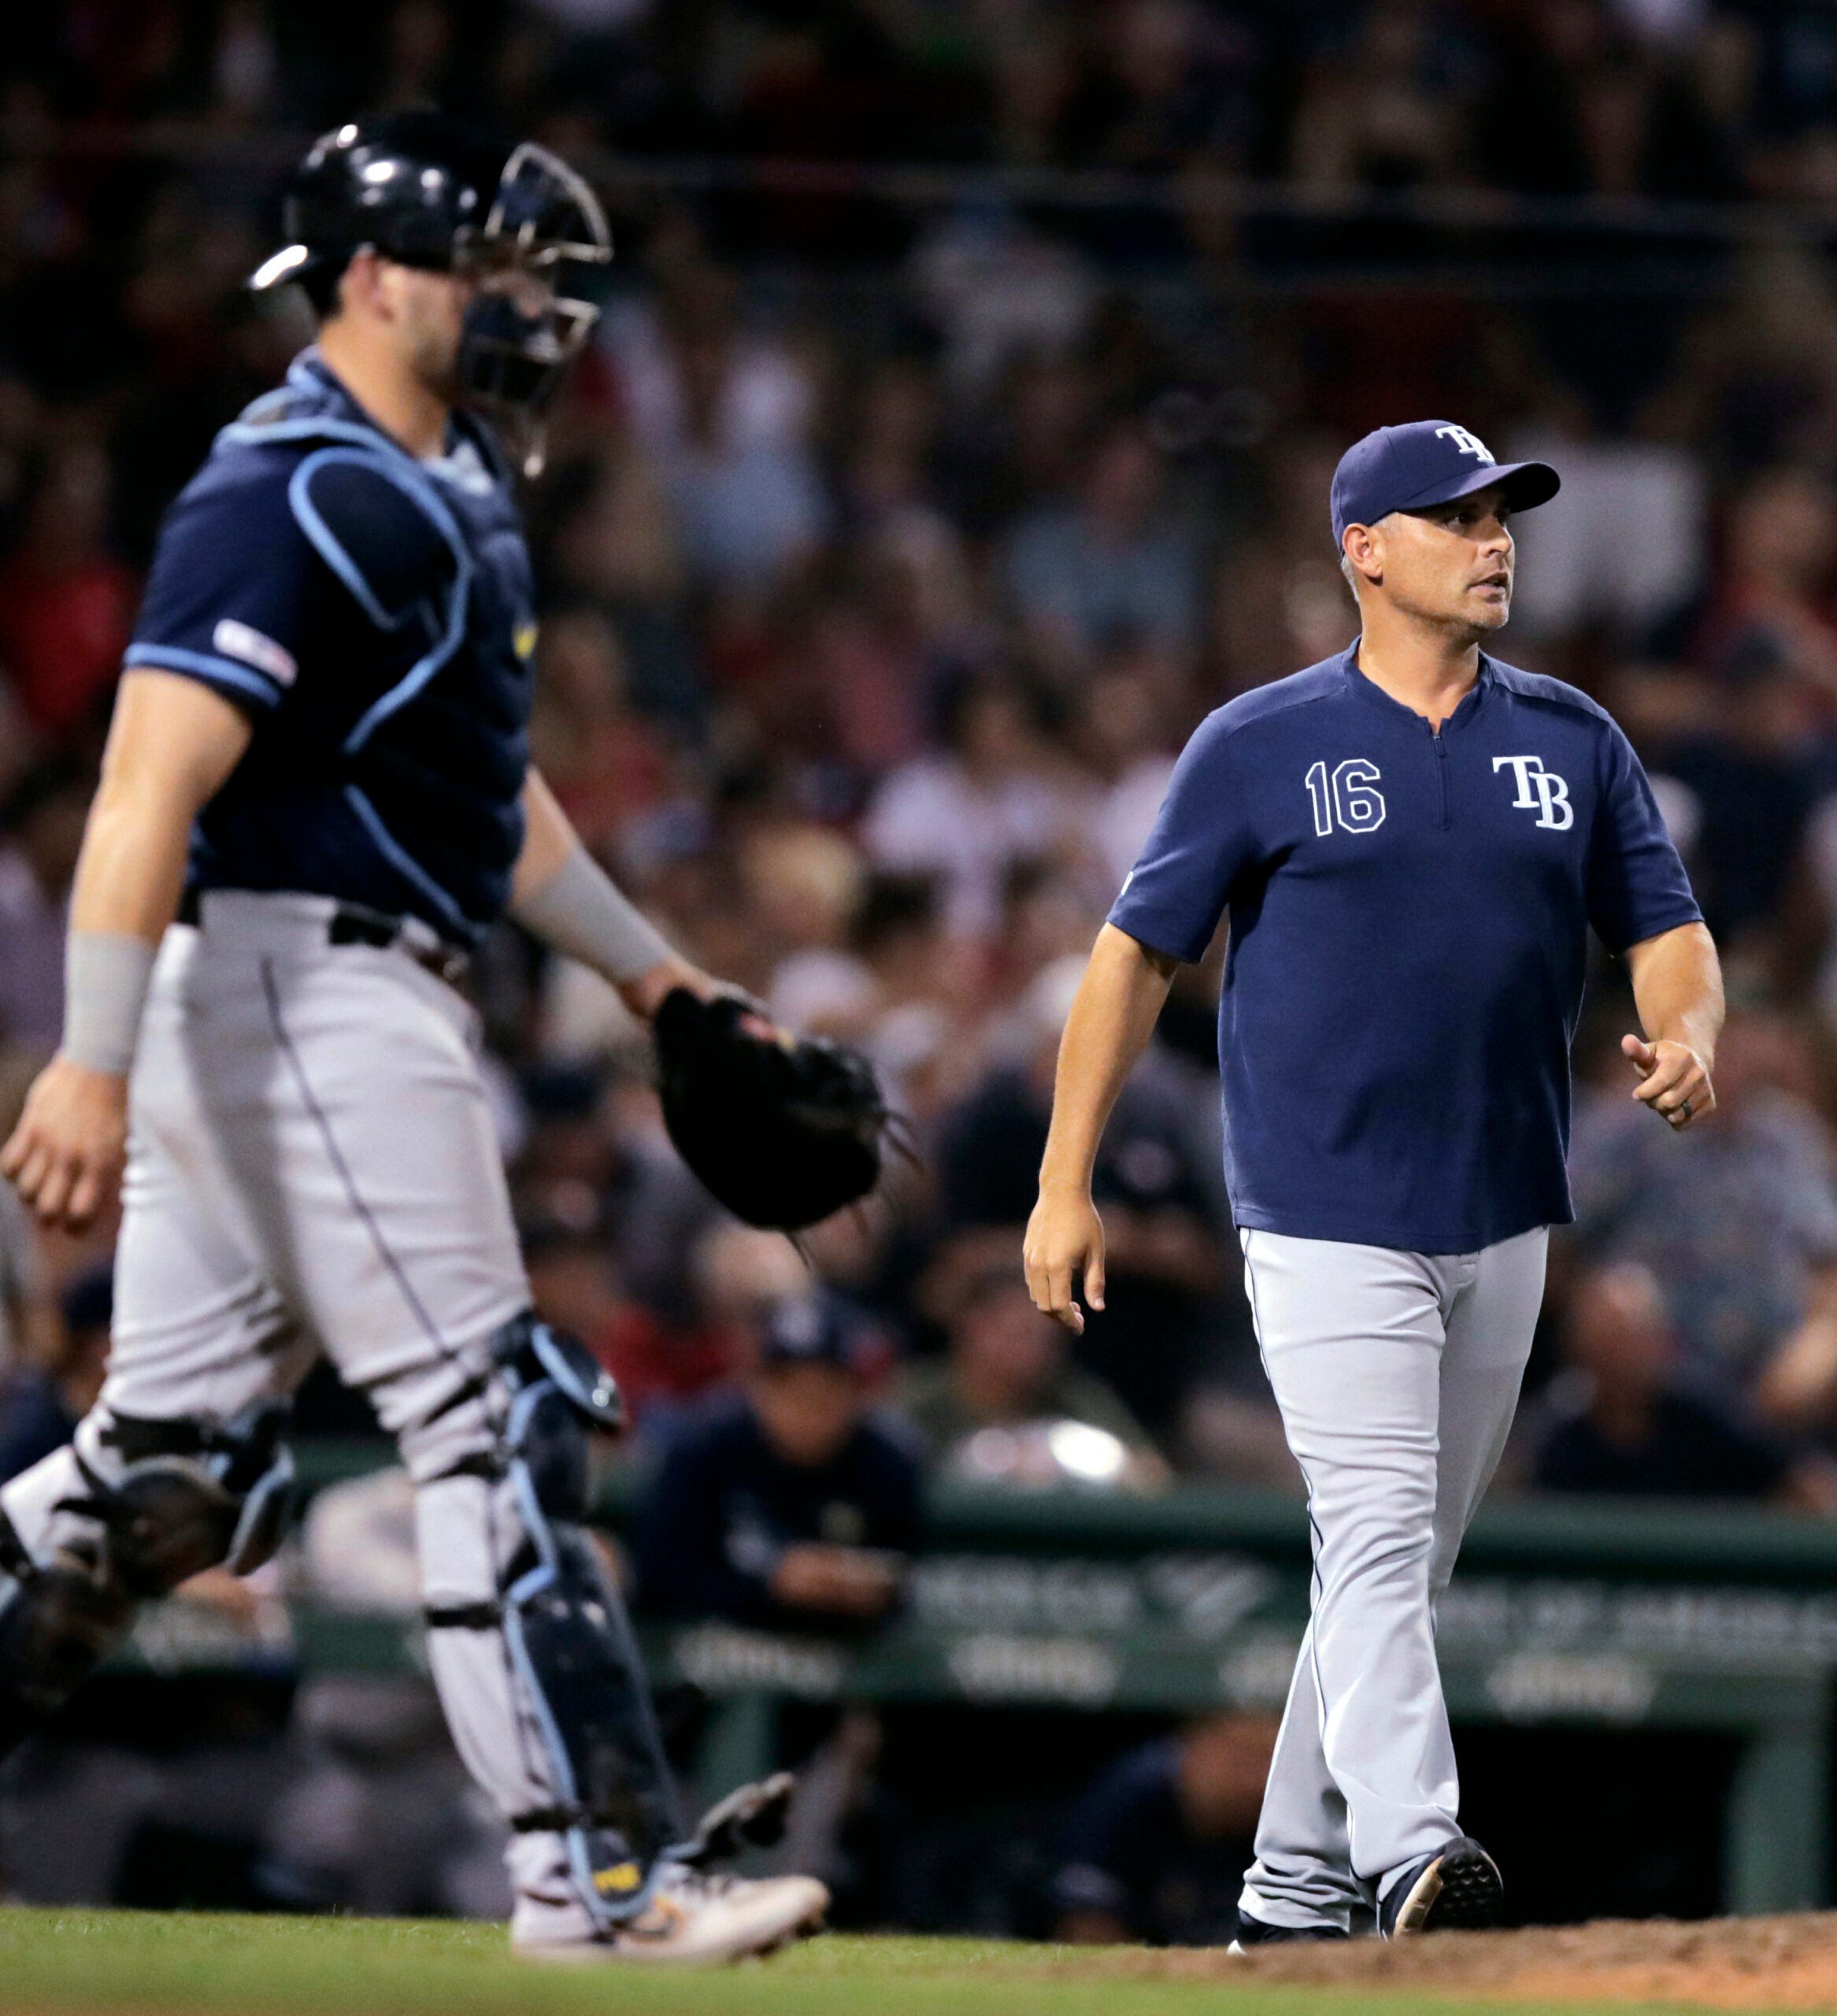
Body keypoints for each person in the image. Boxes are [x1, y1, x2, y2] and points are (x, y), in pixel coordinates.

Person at [0, 114, 826, 1964]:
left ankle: (590, 1869)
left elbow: (486, 794)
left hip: (335, 979)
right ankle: (594, 1876)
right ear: (374, 280)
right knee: (492, 1412)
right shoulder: (285, 481)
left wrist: (657, 979)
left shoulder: (443, 474)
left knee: (172, 1469)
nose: (532, 307)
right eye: (496, 269)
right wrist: (88, 1050)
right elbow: (146, 773)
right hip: (301, 986)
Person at [1024, 419, 1722, 1943]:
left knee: (1384, 1565)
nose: (1493, 541)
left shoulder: (1571, 737)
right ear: (1362, 548)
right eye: (1454, 517)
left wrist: (1683, 1029)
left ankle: (1282, 1890)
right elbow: (1132, 953)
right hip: (1321, 1206)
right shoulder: (1259, 740)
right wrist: (1061, 1177)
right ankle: (1408, 1848)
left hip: (1503, 1204)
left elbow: (1663, 927)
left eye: (1500, 516)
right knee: (1380, 1534)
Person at [634, 1294, 924, 1630]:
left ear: (856, 1394)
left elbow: (903, 1583)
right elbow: (659, 1576)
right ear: (756, 1386)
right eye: (787, 1388)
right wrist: (770, 1585)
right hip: (718, 1659)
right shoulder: (704, 1450)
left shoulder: (887, 1463)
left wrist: (854, 1588)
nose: (806, 1410)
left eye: (825, 1391)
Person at [1530, 1262, 1837, 1511]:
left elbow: (1806, 1487)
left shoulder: (1704, 1422)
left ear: (1659, 1341)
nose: (1615, 1357)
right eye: (1602, 1342)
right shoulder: (1561, 1444)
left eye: (1626, 1339)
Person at [1053, 1714, 1278, 1947]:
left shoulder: (1291, 1816)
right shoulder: (1136, 1794)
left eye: (1267, 1761)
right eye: (1240, 1761)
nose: (1252, 1782)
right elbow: (1085, 1924)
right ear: (1196, 1751)